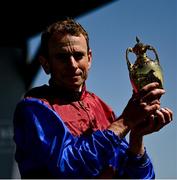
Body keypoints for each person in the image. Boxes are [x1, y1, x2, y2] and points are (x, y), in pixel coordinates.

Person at [13, 17, 173, 179]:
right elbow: (67, 168)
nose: (72, 64)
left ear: (89, 58)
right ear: (45, 63)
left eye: (78, 55)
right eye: (62, 57)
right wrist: (124, 122)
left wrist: (136, 136)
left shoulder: (103, 108)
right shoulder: (34, 109)